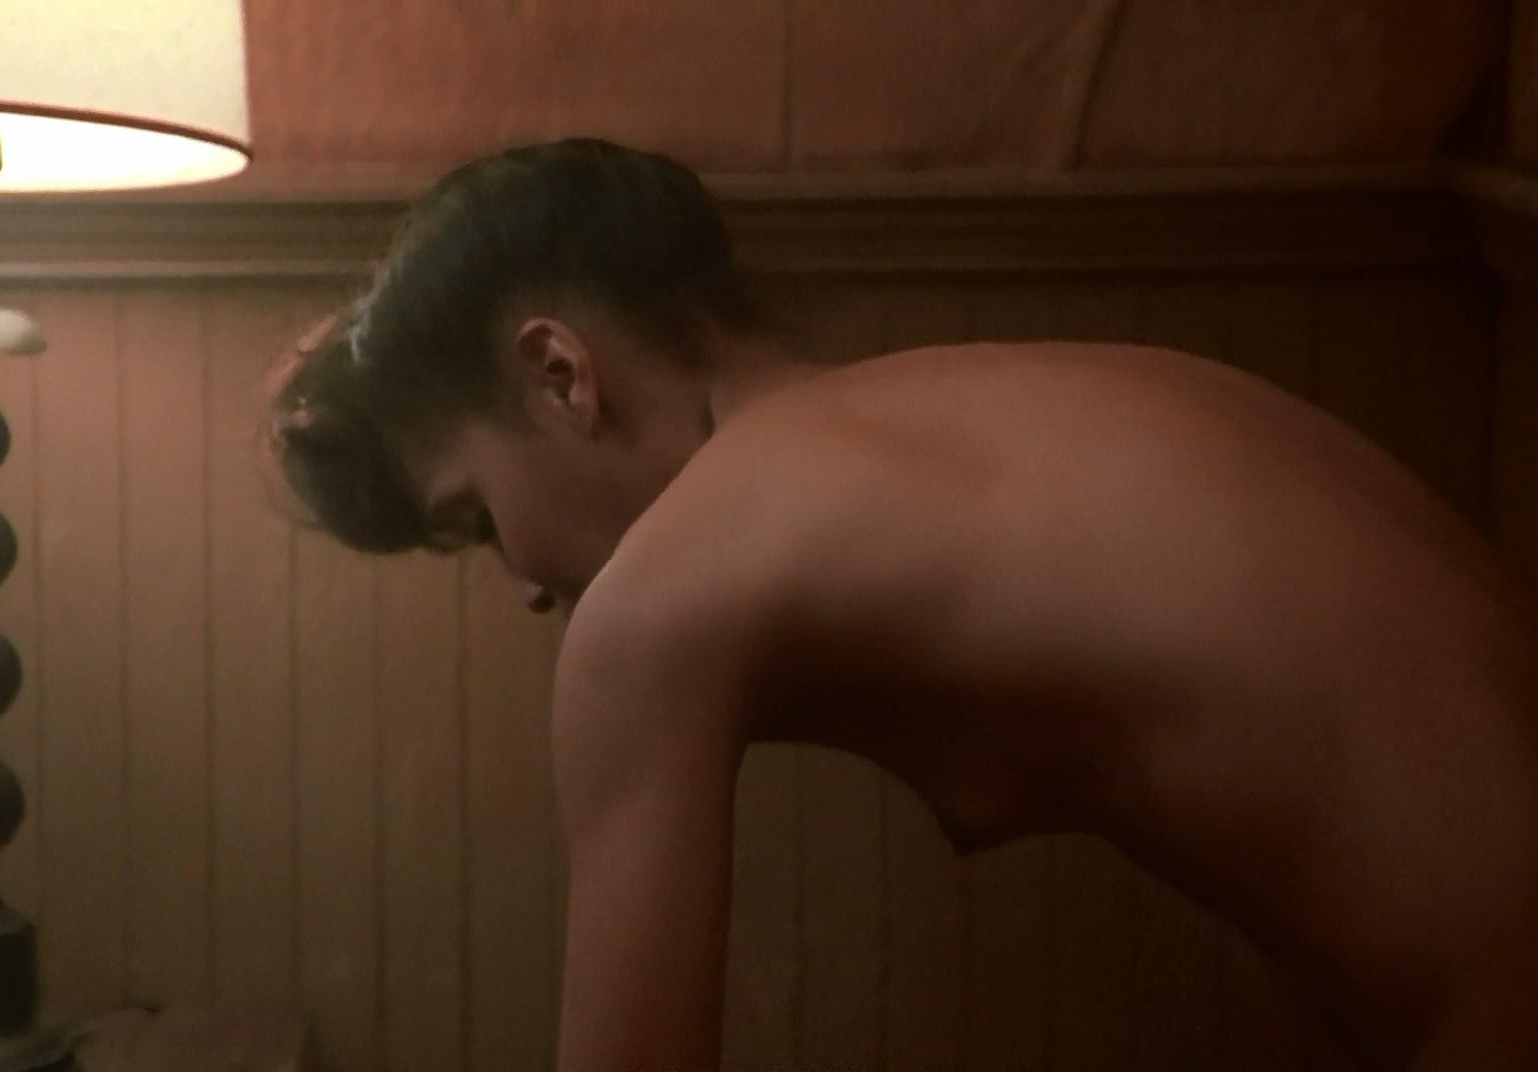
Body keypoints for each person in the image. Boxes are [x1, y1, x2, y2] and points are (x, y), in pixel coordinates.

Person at [267, 138, 1538, 1070]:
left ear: (559, 374)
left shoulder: (657, 603)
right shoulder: (985, 413)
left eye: (479, 516)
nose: (522, 587)